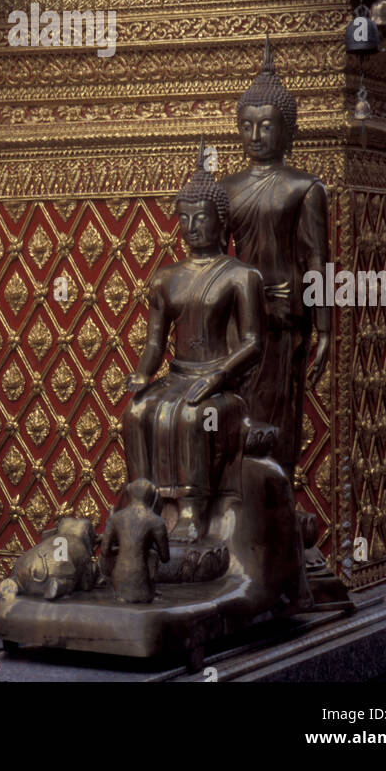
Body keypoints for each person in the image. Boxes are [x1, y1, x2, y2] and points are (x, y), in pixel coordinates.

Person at [123, 151, 264, 545]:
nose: (192, 226)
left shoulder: (240, 276)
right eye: (184, 218)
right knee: (137, 412)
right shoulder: (166, 278)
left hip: (224, 385)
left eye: (201, 217)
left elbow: (253, 343)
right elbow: (155, 343)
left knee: (195, 418)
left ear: (221, 221)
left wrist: (219, 376)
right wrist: (142, 373)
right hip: (178, 376)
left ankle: (191, 510)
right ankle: (142, 502)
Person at [219, 38, 330, 480]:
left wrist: (325, 327)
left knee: (278, 414)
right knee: (235, 410)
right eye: (247, 126)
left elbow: (317, 259)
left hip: (284, 315)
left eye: (266, 126)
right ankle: (240, 502)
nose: (256, 136)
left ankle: (276, 498)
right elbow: (212, 258)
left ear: (287, 129)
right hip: (238, 318)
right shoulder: (226, 189)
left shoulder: (305, 188)